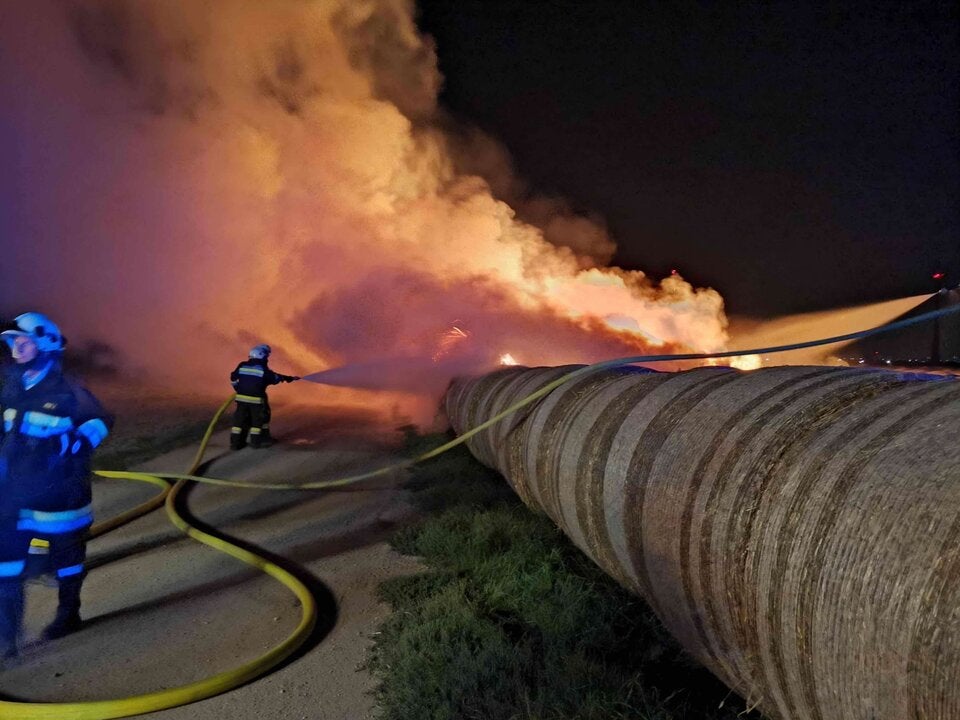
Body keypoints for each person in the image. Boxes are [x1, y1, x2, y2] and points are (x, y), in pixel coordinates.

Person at [0, 312, 112, 659]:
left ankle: (68, 614)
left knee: (68, 559)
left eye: (23, 342)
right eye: (12, 342)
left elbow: (101, 420)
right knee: (6, 565)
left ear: (45, 344)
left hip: (60, 493)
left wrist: (75, 445)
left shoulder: (68, 390)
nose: (16, 348)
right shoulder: (12, 387)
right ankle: (7, 639)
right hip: (15, 492)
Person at [229, 344, 299, 449]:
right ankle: (256, 442)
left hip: (241, 399)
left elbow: (233, 377)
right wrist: (289, 378)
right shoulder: (263, 370)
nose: (267, 359)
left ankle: (236, 444)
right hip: (257, 401)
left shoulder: (242, 365)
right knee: (258, 422)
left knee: (239, 421)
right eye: (266, 357)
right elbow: (275, 378)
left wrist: (237, 388)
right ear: (262, 356)